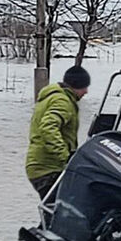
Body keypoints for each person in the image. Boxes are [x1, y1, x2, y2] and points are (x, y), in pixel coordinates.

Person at [26, 65, 91, 202]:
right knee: (65, 206)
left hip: (39, 166)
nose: (86, 91)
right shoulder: (62, 101)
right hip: (48, 168)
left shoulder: (52, 97)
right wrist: (66, 157)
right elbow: (48, 127)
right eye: (84, 87)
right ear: (75, 86)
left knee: (55, 207)